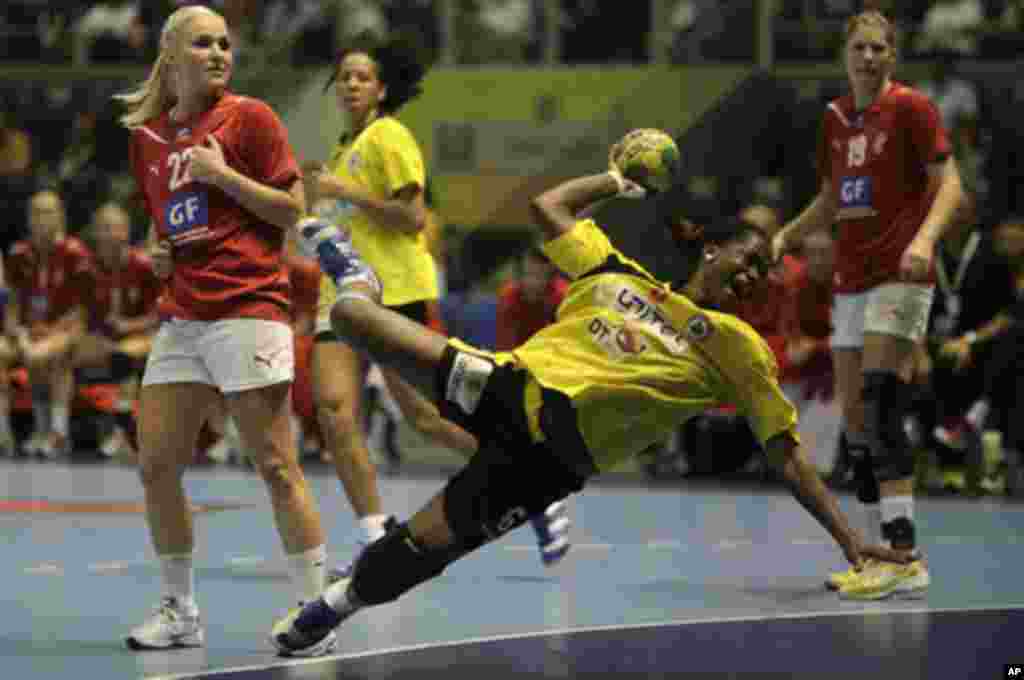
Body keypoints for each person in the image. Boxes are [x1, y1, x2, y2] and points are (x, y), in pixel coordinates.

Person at [270, 166, 913, 656]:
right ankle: (357, 277)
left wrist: (851, 540)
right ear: (712, 251)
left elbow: (788, 455)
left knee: (424, 547)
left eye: (765, 276)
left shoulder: (737, 347)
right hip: (509, 389)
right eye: (749, 261)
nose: (755, 277)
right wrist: (614, 179)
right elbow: (546, 207)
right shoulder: (616, 274)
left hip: (551, 460)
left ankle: (330, 607)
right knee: (352, 316)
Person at [303, 36, 568, 579]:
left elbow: (411, 219)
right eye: (345, 76)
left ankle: (532, 482)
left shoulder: (389, 137)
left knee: (426, 417)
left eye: (362, 77)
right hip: (343, 297)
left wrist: (342, 190)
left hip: (395, 293)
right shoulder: (340, 150)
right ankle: (373, 533)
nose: (351, 84)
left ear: (381, 89)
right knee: (333, 411)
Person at [114, 5, 331, 655]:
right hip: (183, 316)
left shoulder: (252, 118)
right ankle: (180, 610)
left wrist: (223, 176)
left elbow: (293, 209)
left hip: (248, 308)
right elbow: (167, 218)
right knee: (156, 464)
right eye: (203, 44)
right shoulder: (147, 138)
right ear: (172, 54)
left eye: (225, 44)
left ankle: (314, 609)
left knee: (274, 463)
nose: (217, 53)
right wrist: (159, 247)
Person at [772, 10, 966, 600]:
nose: (870, 57)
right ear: (845, 54)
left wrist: (925, 241)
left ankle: (905, 558)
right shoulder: (834, 121)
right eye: (861, 47)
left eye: (881, 48)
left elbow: (953, 186)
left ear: (893, 57)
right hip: (852, 283)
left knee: (882, 406)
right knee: (857, 430)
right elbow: (833, 198)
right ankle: (881, 553)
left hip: (900, 274)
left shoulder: (911, 109)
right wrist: (784, 235)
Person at [6, 189, 92, 459]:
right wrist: (17, 331)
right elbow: (12, 303)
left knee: (52, 356)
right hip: (28, 331)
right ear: (29, 218)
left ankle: (57, 434)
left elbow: (82, 310)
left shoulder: (75, 252)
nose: (42, 218)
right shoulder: (18, 253)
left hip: (66, 332)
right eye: (37, 212)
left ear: (60, 217)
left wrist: (50, 332)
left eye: (49, 211)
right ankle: (10, 435)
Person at [76, 201, 163, 460]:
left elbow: (161, 313)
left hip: (142, 336)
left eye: (112, 228)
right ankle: (53, 430)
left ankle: (121, 432)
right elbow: (80, 316)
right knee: (65, 355)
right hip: (101, 338)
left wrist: (129, 326)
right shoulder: (86, 270)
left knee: (123, 356)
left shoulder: (145, 266)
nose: (107, 234)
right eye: (101, 228)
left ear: (125, 231)